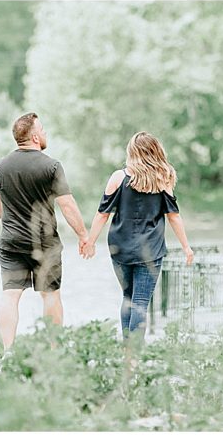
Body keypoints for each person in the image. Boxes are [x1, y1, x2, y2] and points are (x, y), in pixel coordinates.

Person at [82, 131, 194, 364]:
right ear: (156, 151)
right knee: (141, 302)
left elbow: (102, 214)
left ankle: (127, 352)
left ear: (132, 151)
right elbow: (173, 216)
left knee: (127, 298)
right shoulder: (162, 179)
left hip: (120, 248)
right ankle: (134, 356)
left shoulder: (118, 178)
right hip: (150, 251)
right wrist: (186, 247)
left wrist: (90, 242)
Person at [0, 112, 89, 355]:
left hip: (11, 242)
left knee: (10, 295)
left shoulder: (0, 166)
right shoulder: (51, 166)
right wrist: (83, 235)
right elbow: (67, 205)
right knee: (50, 295)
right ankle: (53, 352)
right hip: (44, 243)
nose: (45, 133)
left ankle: (8, 351)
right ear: (34, 137)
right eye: (42, 129)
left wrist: (10, 219)